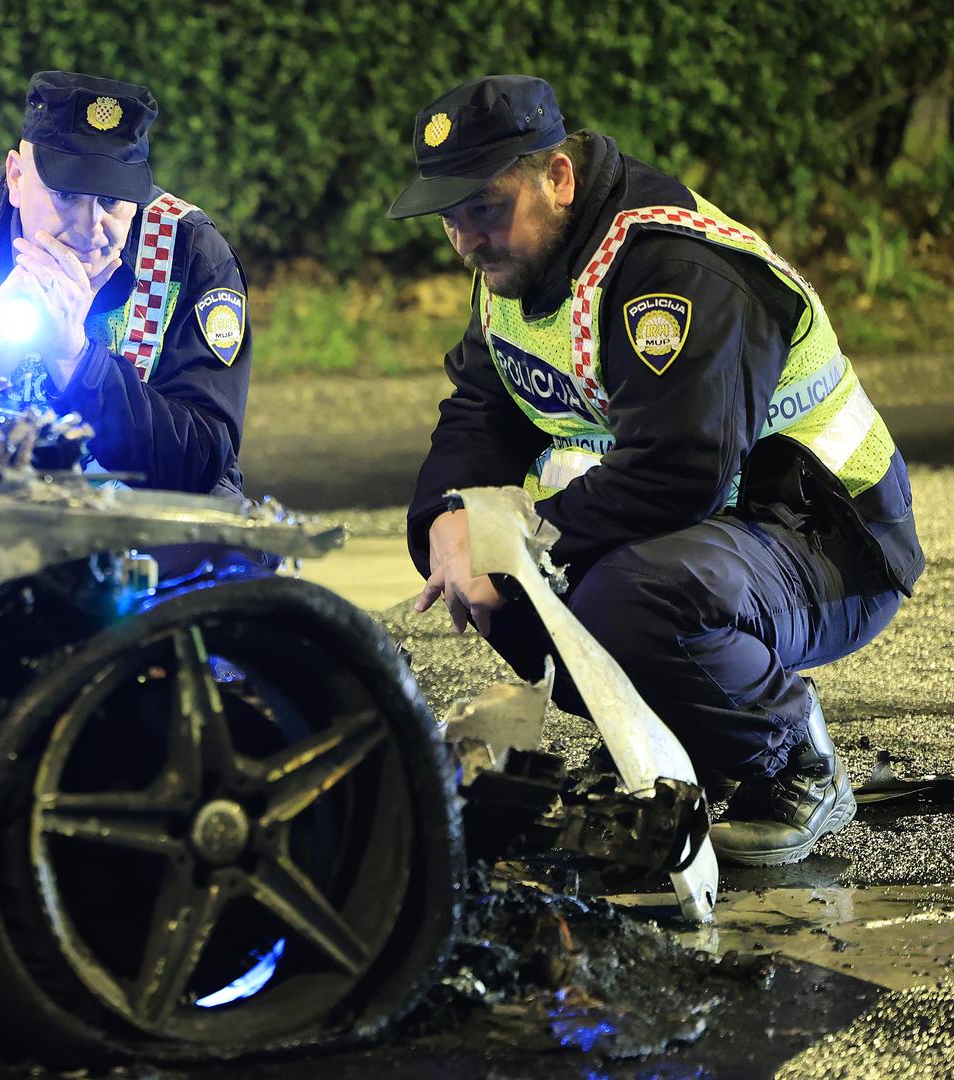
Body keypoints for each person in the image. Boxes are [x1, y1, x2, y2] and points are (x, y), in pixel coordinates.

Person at [391, 75, 923, 866]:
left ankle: (794, 757)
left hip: (830, 536)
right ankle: (680, 743)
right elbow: (481, 408)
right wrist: (449, 520)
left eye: (484, 209)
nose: (466, 239)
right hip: (720, 535)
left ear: (558, 179)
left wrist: (516, 542)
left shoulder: (672, 270)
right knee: (510, 583)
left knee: (620, 595)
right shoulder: (514, 258)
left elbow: (680, 472)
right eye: (449, 218)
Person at [0, 71, 251, 497]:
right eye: (67, 196)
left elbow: (203, 460)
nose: (90, 228)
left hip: (135, 516)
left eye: (111, 201)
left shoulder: (192, 254)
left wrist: (77, 360)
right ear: (17, 177)